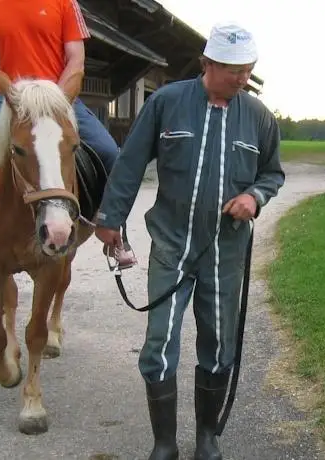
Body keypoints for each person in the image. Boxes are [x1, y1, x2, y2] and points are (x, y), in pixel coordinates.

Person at [93, 22, 285, 460]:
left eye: (247, 70)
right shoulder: (167, 102)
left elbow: (272, 173)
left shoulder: (258, 117)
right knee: (159, 341)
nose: (241, 78)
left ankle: (207, 438)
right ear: (207, 63)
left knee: (219, 342)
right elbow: (130, 162)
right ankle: (164, 444)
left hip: (226, 251)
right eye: (233, 70)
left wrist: (254, 197)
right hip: (172, 247)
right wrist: (109, 219)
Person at [0, 0, 136, 268]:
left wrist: (57, 100)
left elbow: (76, 59)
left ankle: (114, 234)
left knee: (110, 153)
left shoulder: (64, 4)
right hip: (8, 100)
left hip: (55, 97)